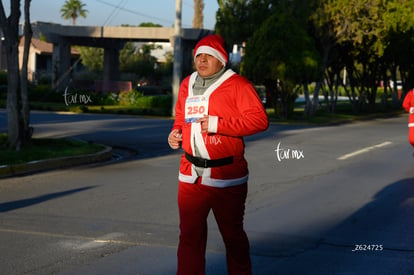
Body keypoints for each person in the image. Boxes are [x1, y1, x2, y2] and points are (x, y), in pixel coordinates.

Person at [168, 34, 269, 275]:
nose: (202, 60)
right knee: (189, 238)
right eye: (198, 56)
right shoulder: (187, 83)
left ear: (221, 60)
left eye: (208, 56)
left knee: (232, 238)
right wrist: (175, 133)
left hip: (227, 176)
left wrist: (218, 124)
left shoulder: (239, 85)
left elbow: (260, 120)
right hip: (190, 175)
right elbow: (181, 117)